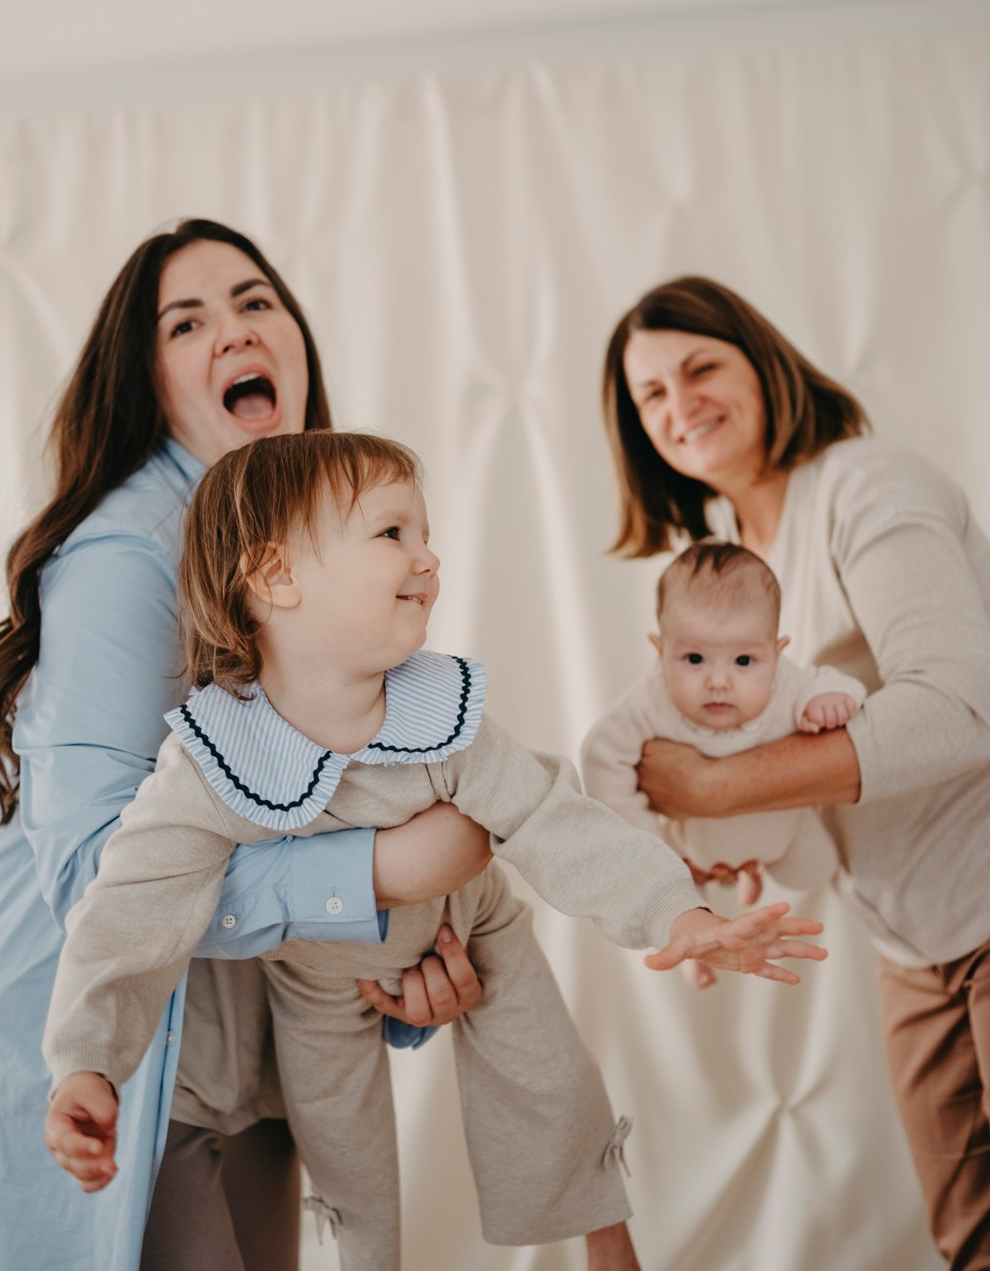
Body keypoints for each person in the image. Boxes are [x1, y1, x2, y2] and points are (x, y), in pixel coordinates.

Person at [42, 428, 829, 1271]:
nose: (428, 558)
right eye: (393, 533)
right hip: (317, 983)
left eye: (425, 533)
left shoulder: (439, 714)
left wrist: (679, 913)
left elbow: (557, 821)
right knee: (349, 1170)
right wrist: (86, 1063)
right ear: (275, 576)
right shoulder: (217, 755)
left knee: (552, 1079)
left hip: (471, 924)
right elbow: (129, 911)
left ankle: (607, 1240)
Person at [0, 220, 492, 1271]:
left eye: (256, 302)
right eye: (187, 323)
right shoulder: (126, 555)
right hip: (122, 1067)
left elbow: (322, 795)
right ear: (147, 383)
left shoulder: (328, 543)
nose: (235, 332)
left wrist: (403, 974)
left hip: (258, 1054)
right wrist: (376, 874)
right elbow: (93, 875)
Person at [601, 275, 990, 1267]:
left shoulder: (866, 486)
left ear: (763, 362)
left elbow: (960, 708)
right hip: (912, 946)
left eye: (700, 367)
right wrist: (731, 842)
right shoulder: (732, 565)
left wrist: (717, 787)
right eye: (651, 395)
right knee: (968, 1239)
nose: (680, 404)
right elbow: (814, 766)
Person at [582, 540, 864, 988]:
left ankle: (755, 870)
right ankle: (693, 952)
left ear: (777, 652)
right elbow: (601, 751)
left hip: (784, 830)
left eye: (744, 660)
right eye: (694, 659)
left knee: (814, 870)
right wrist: (643, 835)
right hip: (695, 848)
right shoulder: (650, 702)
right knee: (673, 894)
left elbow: (836, 683)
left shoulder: (787, 683)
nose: (718, 680)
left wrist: (829, 699)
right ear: (660, 651)